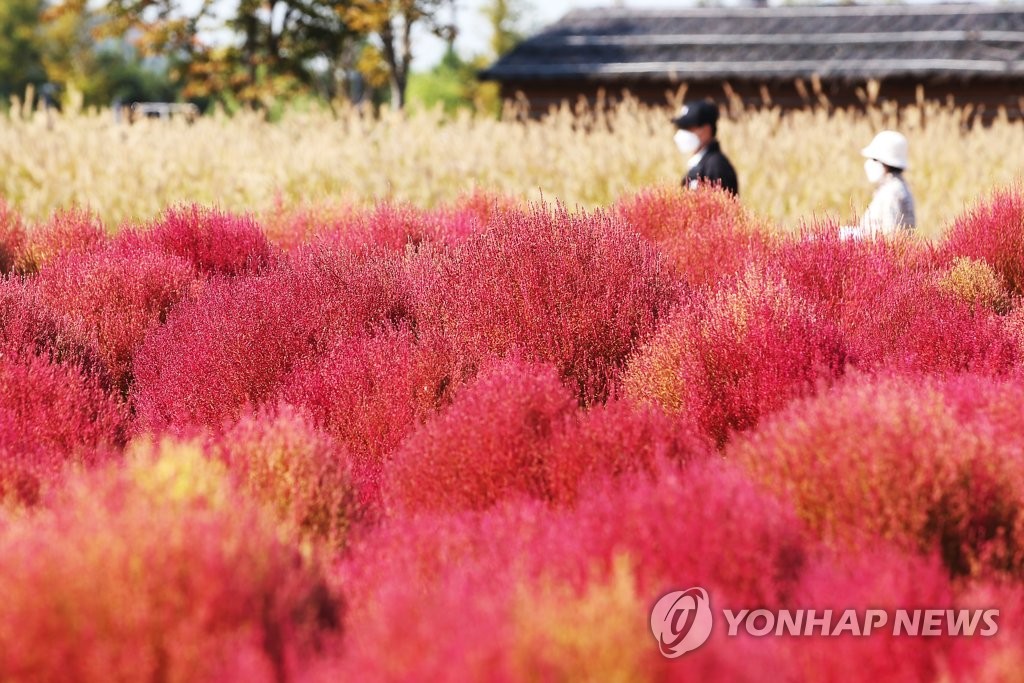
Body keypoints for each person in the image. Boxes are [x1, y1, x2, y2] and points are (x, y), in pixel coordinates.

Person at [840, 130, 916, 240]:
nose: (869, 163)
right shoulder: (896, 188)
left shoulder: (892, 193)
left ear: (886, 163)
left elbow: (890, 237)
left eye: (874, 159)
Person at [671, 100, 739, 196]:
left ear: (706, 130)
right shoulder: (699, 163)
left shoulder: (716, 166)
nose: (682, 133)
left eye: (688, 128)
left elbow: (722, 206)